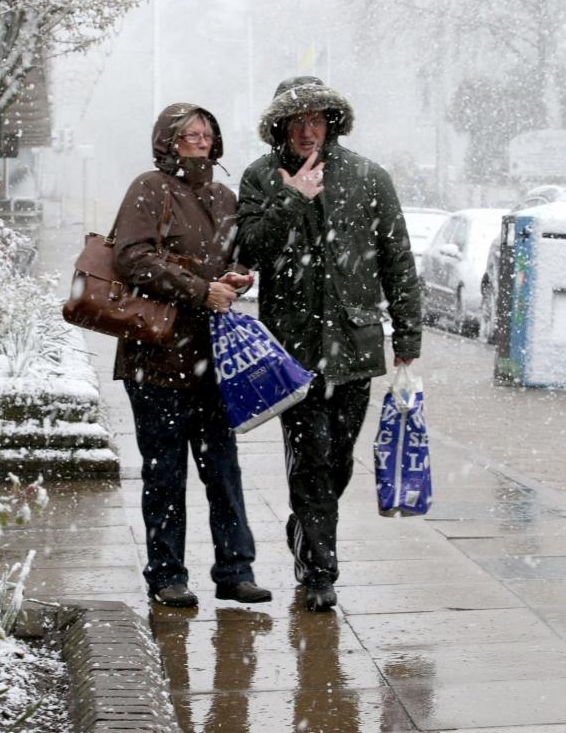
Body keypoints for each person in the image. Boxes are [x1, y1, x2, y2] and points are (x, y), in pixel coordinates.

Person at [235, 76, 421, 611]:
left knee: (338, 460)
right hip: (292, 351)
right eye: (296, 121)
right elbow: (248, 249)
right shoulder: (261, 177)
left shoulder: (367, 177)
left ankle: (306, 527)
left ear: (331, 122)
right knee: (311, 457)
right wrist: (292, 198)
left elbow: (398, 262)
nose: (307, 129)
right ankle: (320, 572)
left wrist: (407, 336)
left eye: (316, 118)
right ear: (281, 128)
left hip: (357, 344)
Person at [112, 103, 272, 607]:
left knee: (223, 468)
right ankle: (166, 575)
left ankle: (235, 570)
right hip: (156, 357)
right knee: (164, 473)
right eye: (188, 134)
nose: (200, 140)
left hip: (211, 359)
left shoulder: (223, 196)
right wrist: (199, 290)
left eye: (206, 133)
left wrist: (235, 276)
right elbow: (132, 256)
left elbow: (232, 256)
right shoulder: (149, 188)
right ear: (167, 141)